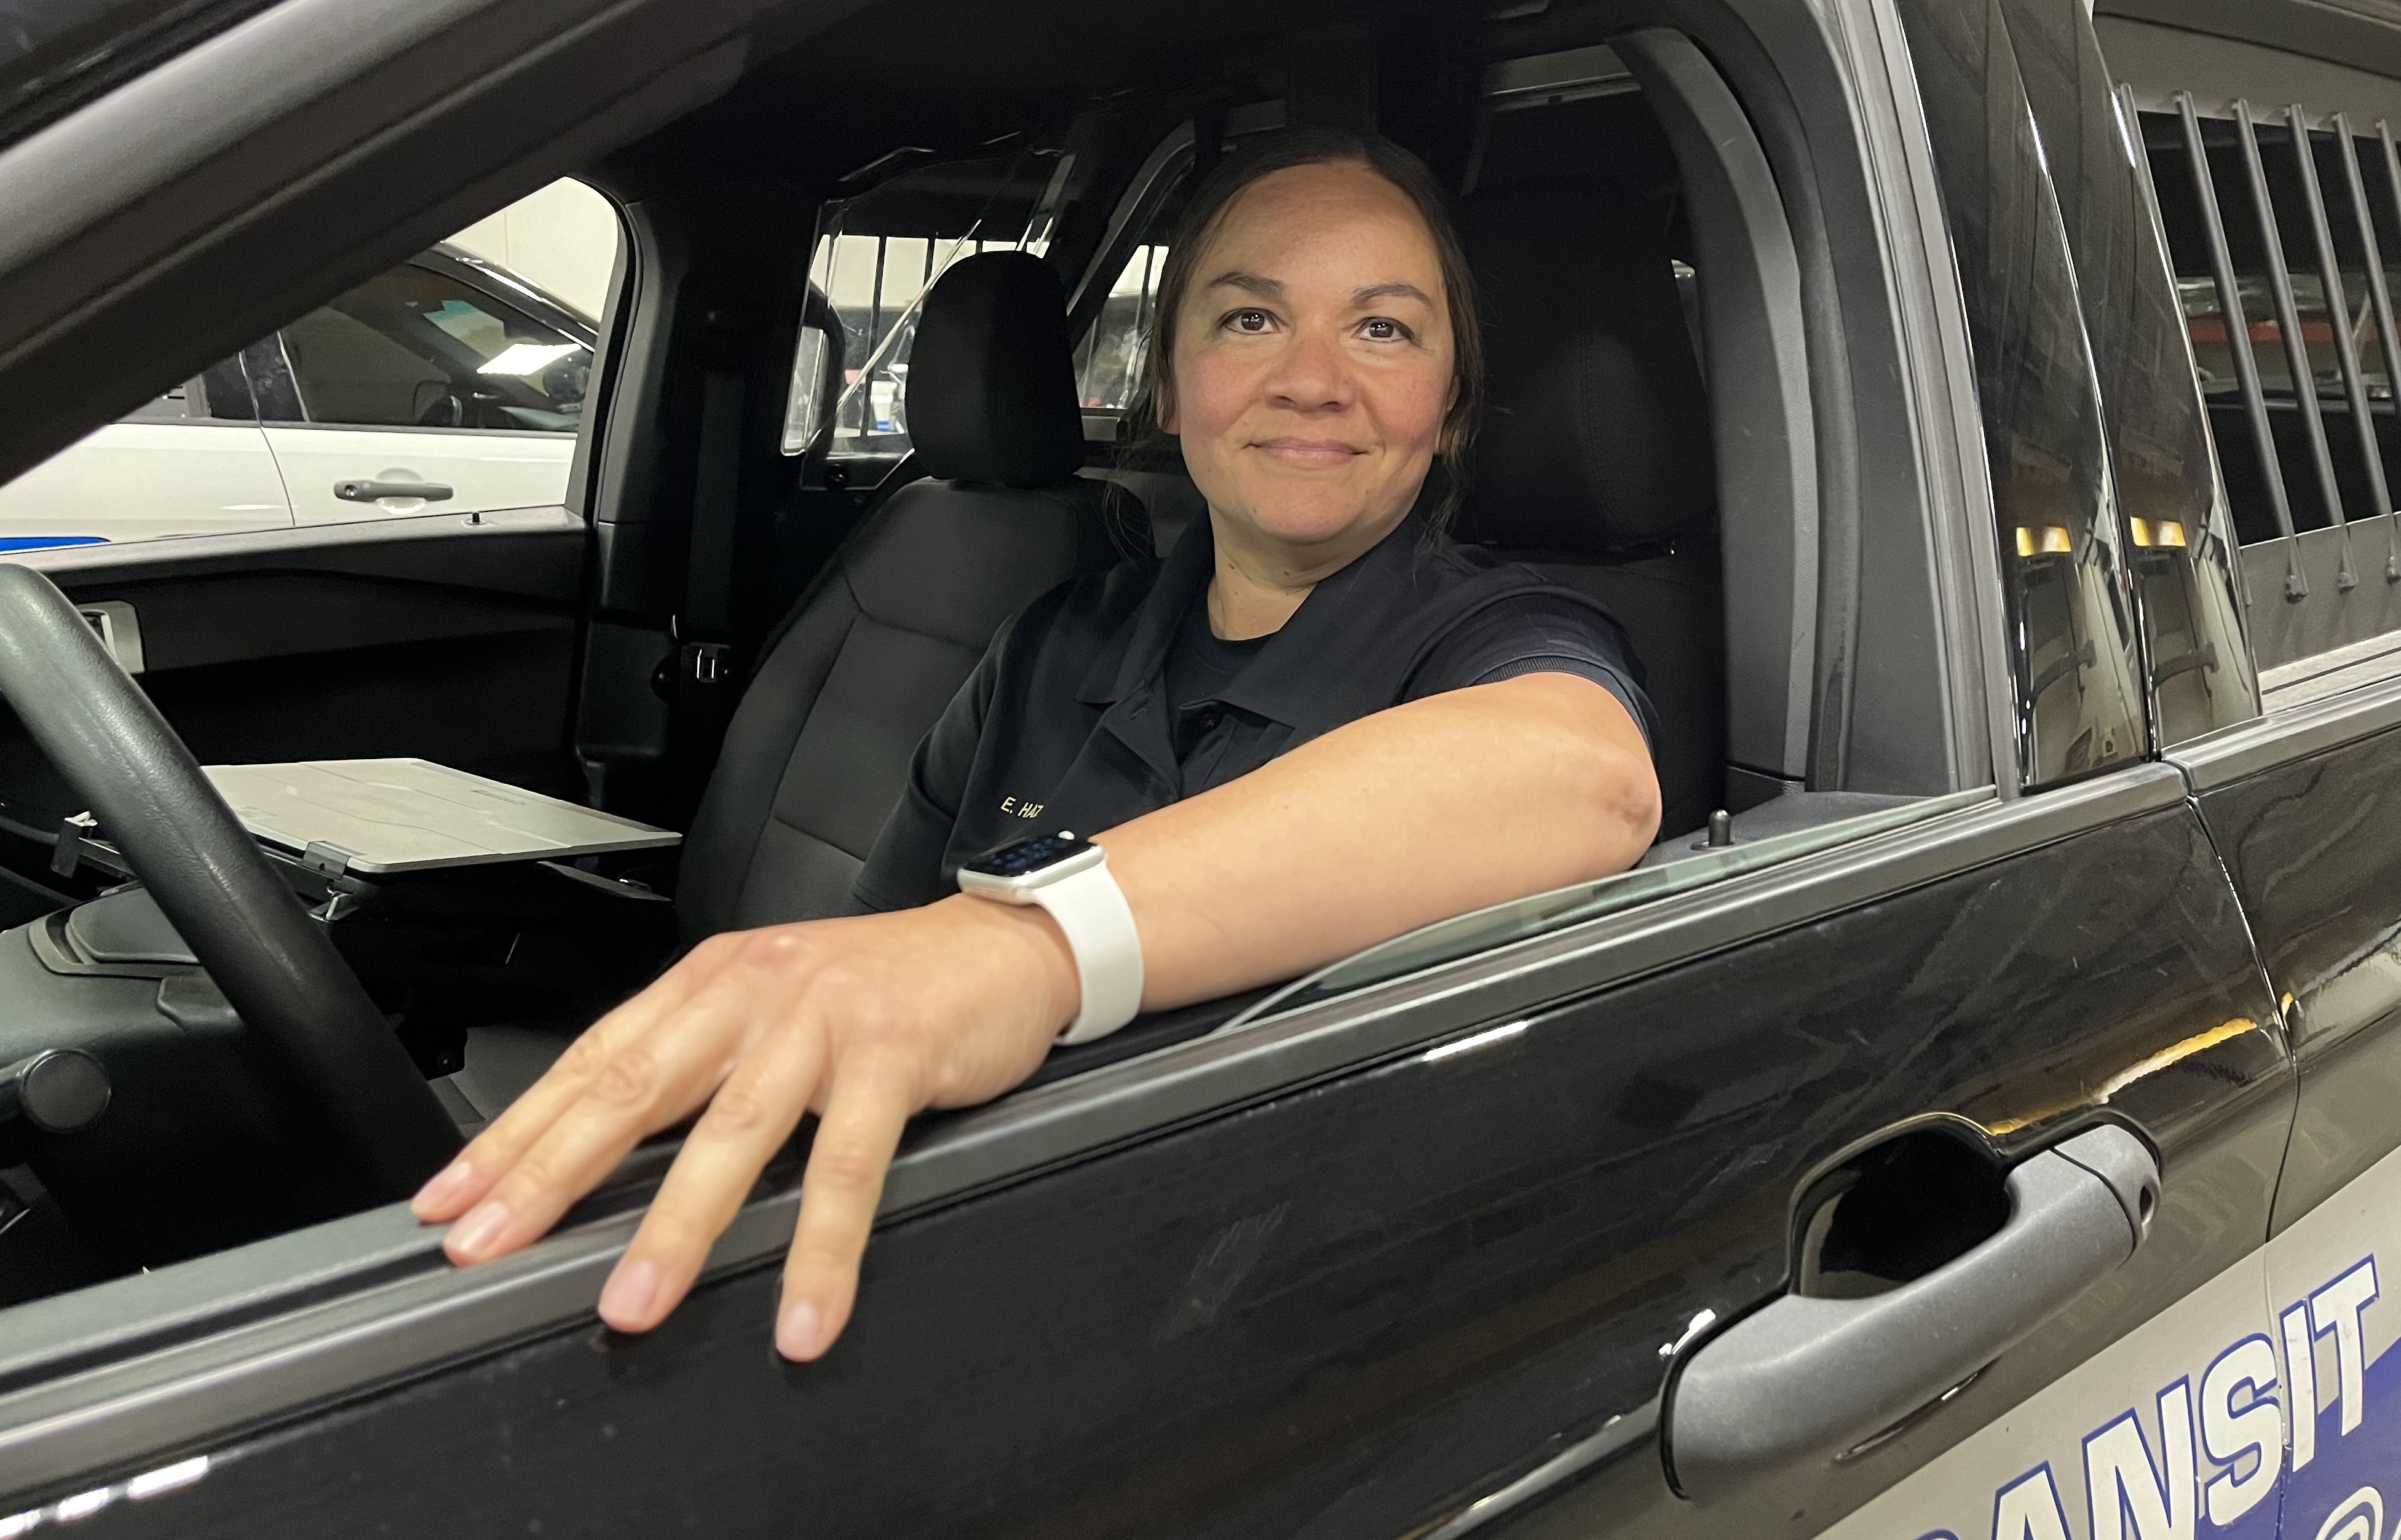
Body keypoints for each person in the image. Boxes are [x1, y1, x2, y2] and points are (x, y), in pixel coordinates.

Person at [410, 128, 1664, 1362]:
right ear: (1167, 382)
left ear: (1449, 407)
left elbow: (1584, 777)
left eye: (1383, 328)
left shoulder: (1498, 632)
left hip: (1258, 1313)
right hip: (949, 1252)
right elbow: (875, 951)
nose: (1314, 378)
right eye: (1249, 319)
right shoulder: (1054, 642)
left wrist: (1027, 944)